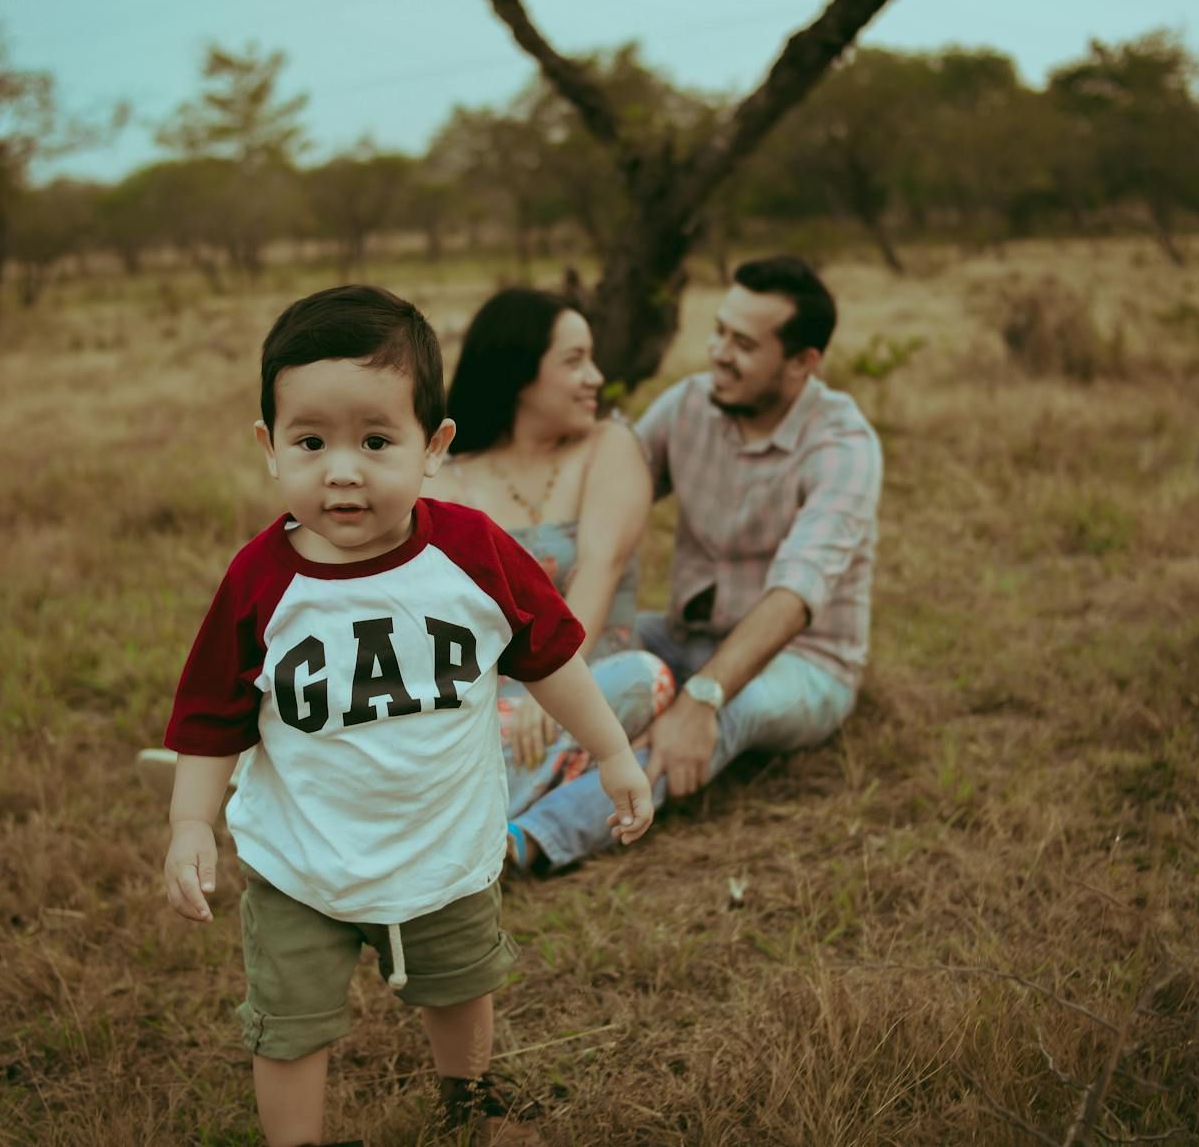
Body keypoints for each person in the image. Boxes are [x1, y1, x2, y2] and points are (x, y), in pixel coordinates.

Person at [157, 285, 654, 1147]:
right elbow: (210, 720)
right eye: (311, 442)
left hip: (442, 845)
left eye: (377, 441)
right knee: (289, 1022)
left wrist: (613, 753)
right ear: (270, 447)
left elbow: (551, 660)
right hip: (301, 860)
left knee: (460, 984)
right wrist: (190, 822)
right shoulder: (260, 581)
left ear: (435, 447)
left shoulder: (472, 552)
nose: (342, 470)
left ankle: (469, 1097)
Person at [495, 256, 881, 871]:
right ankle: (484, 775)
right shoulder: (689, 406)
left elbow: (795, 595)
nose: (718, 353)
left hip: (802, 661)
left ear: (802, 362)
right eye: (720, 331)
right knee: (583, 650)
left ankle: (521, 843)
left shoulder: (842, 447)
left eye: (744, 345)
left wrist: (703, 696)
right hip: (682, 633)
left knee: (721, 713)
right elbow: (612, 490)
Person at [423, 287, 676, 874]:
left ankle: (443, 828)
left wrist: (554, 682)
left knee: (647, 677)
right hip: (485, 702)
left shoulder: (609, 447)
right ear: (519, 372)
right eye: (574, 360)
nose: (595, 377)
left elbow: (600, 565)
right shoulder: (445, 479)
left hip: (592, 683)